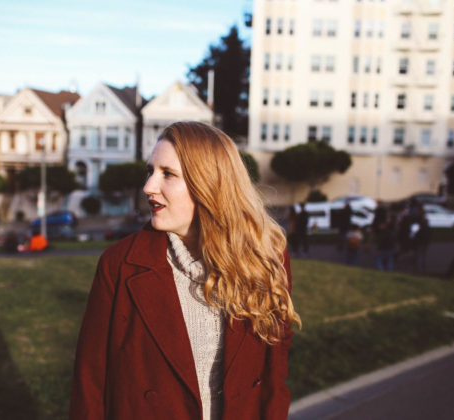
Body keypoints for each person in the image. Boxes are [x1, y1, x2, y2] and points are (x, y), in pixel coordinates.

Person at [69, 122, 301, 420]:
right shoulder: (120, 265)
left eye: (168, 174)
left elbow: (274, 370)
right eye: (150, 171)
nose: (149, 187)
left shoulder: (264, 258)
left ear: (209, 184)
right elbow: (90, 381)